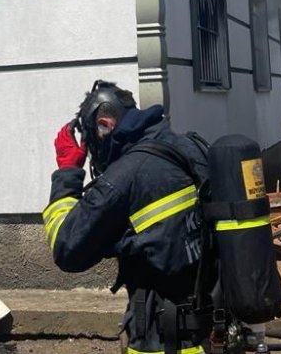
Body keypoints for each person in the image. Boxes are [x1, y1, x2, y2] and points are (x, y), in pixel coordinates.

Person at [44, 81, 210, 354]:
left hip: (162, 339)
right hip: (207, 323)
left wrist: (67, 172)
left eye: (91, 138)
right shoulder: (187, 146)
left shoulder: (122, 180)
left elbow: (67, 249)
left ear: (105, 126)